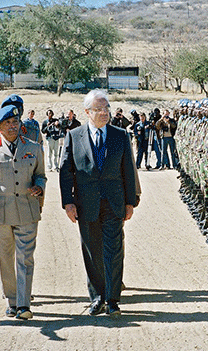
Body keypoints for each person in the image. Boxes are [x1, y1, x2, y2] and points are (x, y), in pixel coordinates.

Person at [59, 89, 137, 317]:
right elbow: (66, 172)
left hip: (114, 202)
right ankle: (97, 298)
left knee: (114, 251)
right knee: (92, 252)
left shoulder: (120, 135)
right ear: (87, 112)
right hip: (86, 203)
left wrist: (130, 202)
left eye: (107, 109)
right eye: (99, 109)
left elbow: (128, 172)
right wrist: (68, 203)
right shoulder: (74, 136)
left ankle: (112, 300)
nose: (104, 113)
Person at [0, 105, 46, 320]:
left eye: (15, 122)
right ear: (0, 127)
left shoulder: (34, 147)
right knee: (5, 258)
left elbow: (41, 175)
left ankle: (24, 305)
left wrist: (39, 187)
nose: (12, 126)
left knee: (25, 258)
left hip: (27, 211)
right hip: (1, 214)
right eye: (7, 123)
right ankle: (12, 301)